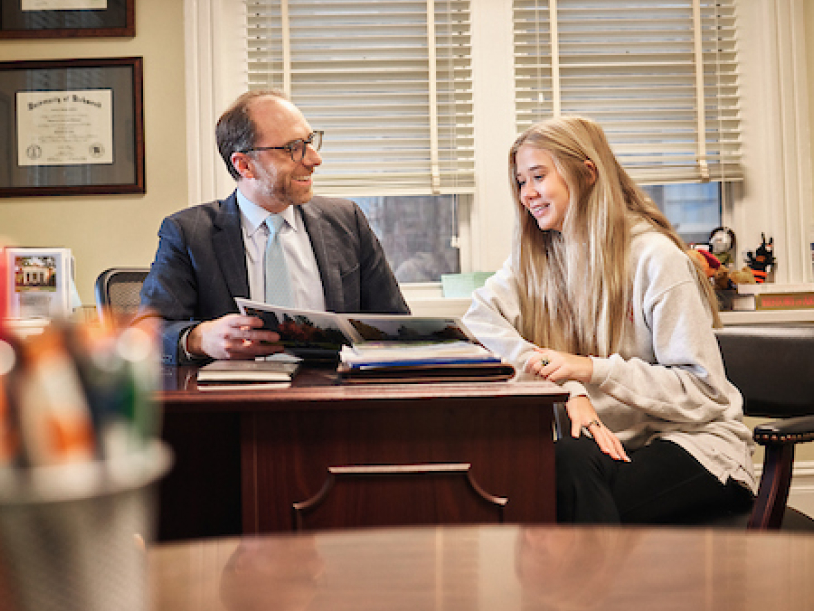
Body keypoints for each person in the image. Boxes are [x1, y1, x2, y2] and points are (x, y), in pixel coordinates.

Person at [462, 115, 756, 524]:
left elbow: (704, 391)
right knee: (557, 464)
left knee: (557, 493)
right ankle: (596, 587)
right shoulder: (537, 260)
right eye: (520, 182)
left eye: (538, 177)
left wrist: (593, 370)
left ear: (586, 173)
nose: (527, 194)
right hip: (612, 449)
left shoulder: (656, 259)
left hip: (696, 446)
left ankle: (590, 588)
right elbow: (477, 321)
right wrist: (570, 388)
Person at [139, 90, 409, 363]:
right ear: (244, 165)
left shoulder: (346, 220)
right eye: (293, 148)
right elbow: (145, 334)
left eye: (310, 141)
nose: (315, 159)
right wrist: (199, 338)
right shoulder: (189, 233)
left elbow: (396, 323)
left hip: (334, 393)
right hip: (236, 398)